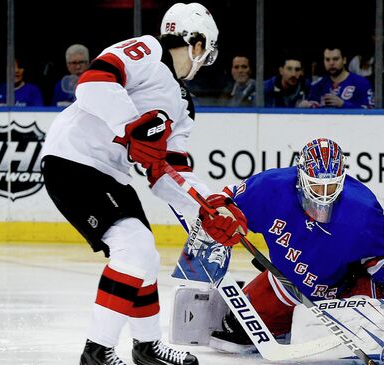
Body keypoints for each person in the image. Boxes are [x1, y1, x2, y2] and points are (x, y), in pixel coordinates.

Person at [39, 3, 247, 365]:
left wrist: (207, 207)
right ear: (197, 45)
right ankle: (97, 352)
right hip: (73, 159)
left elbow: (168, 171)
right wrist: (131, 124)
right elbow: (91, 84)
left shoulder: (183, 105)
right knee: (134, 248)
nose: (204, 61)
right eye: (207, 52)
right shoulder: (147, 51)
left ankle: (147, 346)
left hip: (111, 174)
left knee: (144, 255)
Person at [206, 138, 384, 352]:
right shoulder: (270, 187)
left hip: (342, 293)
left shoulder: (362, 208)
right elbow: (224, 203)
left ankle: (369, 324)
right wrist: (220, 215)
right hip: (286, 283)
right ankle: (287, 324)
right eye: (316, 185)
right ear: (300, 177)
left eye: (331, 186)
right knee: (233, 331)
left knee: (373, 320)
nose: (323, 195)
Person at [298, 46, 374, 109]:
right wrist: (306, 106)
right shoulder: (317, 85)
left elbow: (370, 111)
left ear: (344, 60)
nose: (331, 63)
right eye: (327, 59)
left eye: (335, 59)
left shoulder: (362, 83)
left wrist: (343, 104)